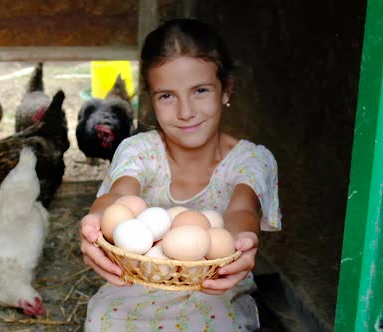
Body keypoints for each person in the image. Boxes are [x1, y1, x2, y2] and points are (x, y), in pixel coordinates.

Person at [79, 18, 281, 331]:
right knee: (104, 320)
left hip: (214, 290)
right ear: (151, 100)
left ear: (226, 90)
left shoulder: (251, 160)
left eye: (200, 90)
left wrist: (242, 241)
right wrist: (96, 222)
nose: (185, 111)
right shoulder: (140, 150)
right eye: (167, 96)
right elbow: (120, 196)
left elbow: (242, 211)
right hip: (136, 285)